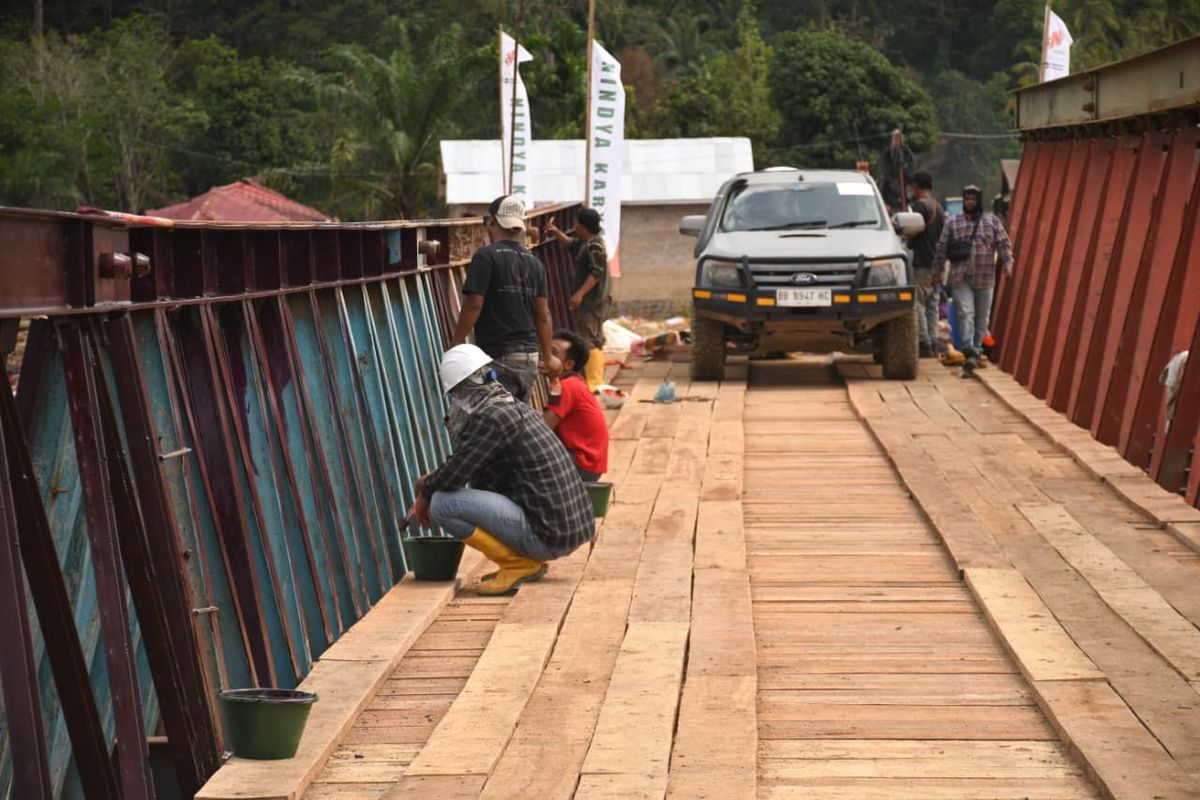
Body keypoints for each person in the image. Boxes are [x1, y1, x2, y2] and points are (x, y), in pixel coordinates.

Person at [410, 344, 595, 595]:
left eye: (456, 394)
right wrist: (429, 482)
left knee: (443, 504)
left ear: (464, 389)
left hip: (550, 535)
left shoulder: (491, 417)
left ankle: (518, 564)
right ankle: (525, 563)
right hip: (564, 529)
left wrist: (426, 491)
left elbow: (453, 477)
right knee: (440, 491)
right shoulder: (507, 406)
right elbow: (463, 465)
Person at [450, 195, 560, 401]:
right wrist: (548, 357)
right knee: (516, 422)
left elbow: (474, 304)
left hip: (499, 356)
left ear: (491, 221)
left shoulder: (486, 256)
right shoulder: (535, 263)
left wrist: (456, 343)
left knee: (495, 421)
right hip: (529, 359)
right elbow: (543, 315)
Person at [932, 184, 1014, 370]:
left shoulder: (991, 221)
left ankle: (977, 350)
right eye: (967, 199)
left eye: (973, 199)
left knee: (982, 317)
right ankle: (968, 348)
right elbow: (942, 248)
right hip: (961, 277)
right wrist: (937, 271)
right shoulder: (953, 222)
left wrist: (1008, 263)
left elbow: (1004, 243)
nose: (970, 202)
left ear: (979, 201)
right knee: (965, 312)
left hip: (986, 277)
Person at [544, 208, 610, 390]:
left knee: (590, 339)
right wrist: (556, 232)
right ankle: (593, 380)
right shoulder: (585, 244)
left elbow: (596, 273)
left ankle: (595, 383)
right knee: (589, 336)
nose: (574, 228)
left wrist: (580, 293)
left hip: (592, 302)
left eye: (577, 224)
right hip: (588, 302)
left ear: (583, 226)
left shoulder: (595, 246)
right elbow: (571, 245)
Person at [545, 329, 609, 481]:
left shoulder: (567, 386)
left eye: (553, 353)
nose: (546, 357)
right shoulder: (572, 383)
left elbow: (544, 427)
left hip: (582, 463)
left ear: (568, 364)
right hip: (587, 462)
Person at [908, 172, 945, 359]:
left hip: (922, 262)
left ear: (916, 186)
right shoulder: (938, 207)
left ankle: (923, 343)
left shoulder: (919, 206)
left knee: (919, 303)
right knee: (933, 304)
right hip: (938, 263)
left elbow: (910, 232)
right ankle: (934, 340)